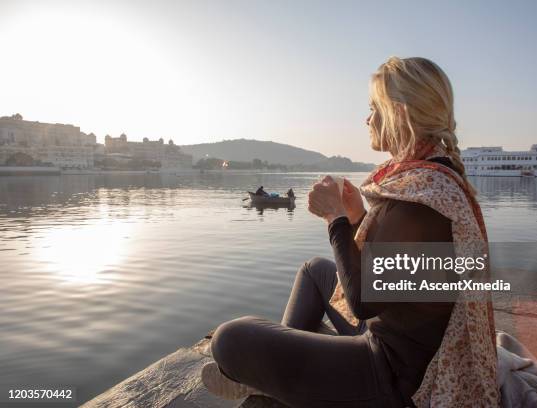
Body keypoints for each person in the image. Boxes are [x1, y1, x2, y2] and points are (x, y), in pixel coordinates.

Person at [201, 57, 499, 407]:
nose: (367, 118)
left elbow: (361, 303)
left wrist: (335, 218)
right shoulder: (428, 182)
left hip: (392, 376)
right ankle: (281, 384)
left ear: (399, 115)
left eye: (374, 108)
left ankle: (275, 386)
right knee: (314, 271)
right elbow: (392, 278)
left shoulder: (421, 201)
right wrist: (358, 216)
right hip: (391, 336)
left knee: (230, 339)